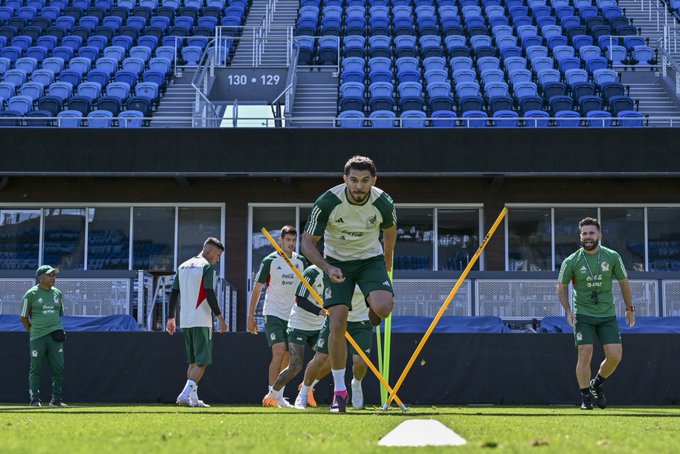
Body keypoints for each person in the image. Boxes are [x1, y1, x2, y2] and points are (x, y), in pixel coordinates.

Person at [301, 155, 397, 413]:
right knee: (337, 322)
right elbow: (307, 243)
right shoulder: (328, 202)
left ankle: (372, 309)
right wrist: (327, 267)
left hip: (370, 260)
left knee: (384, 307)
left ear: (373, 181)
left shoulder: (383, 202)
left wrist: (386, 263)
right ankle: (339, 391)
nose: (358, 186)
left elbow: (390, 231)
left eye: (365, 181)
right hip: (337, 262)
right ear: (345, 179)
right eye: (353, 180)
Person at [557, 217, 635, 411]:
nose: (588, 237)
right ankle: (585, 397)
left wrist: (629, 308)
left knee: (615, 356)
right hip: (583, 314)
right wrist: (567, 310)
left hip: (607, 314)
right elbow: (561, 286)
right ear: (580, 236)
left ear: (599, 235)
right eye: (584, 233)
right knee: (585, 353)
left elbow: (624, 282)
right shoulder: (571, 260)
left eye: (592, 233)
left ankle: (596, 384)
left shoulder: (612, 256)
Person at [247, 225, 308, 408]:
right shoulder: (270, 261)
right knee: (279, 351)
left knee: (289, 356)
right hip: (273, 312)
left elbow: (305, 289)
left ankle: (278, 395)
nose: (290, 243)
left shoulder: (300, 262)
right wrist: (251, 316)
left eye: (293, 240)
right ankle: (270, 394)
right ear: (280, 240)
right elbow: (257, 288)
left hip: (293, 315)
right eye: (287, 240)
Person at [166, 237, 227, 408]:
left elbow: (174, 293)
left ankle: (192, 398)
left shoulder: (182, 266)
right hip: (201, 320)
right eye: (217, 254)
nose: (218, 259)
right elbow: (209, 292)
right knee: (202, 361)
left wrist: (171, 318)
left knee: (193, 361)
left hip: (185, 320)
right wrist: (220, 317)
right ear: (208, 251)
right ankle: (185, 394)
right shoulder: (206, 267)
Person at [295, 286, 372, 411]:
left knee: (360, 362)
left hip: (361, 321)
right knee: (320, 358)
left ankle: (356, 384)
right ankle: (304, 392)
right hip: (335, 317)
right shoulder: (338, 268)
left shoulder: (367, 270)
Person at [262, 264, 326, 409]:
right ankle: (271, 395)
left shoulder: (338, 274)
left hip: (318, 326)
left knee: (327, 359)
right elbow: (300, 299)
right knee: (295, 366)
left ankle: (307, 387)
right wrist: (320, 311)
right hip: (299, 325)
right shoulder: (312, 272)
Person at [20, 265, 68, 407]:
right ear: (40, 278)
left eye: (54, 275)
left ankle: (56, 399)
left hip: (55, 335)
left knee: (59, 367)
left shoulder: (58, 293)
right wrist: (32, 330)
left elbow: (59, 314)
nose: (53, 277)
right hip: (38, 336)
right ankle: (35, 399)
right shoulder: (31, 294)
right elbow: (23, 316)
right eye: (49, 275)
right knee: (36, 367)